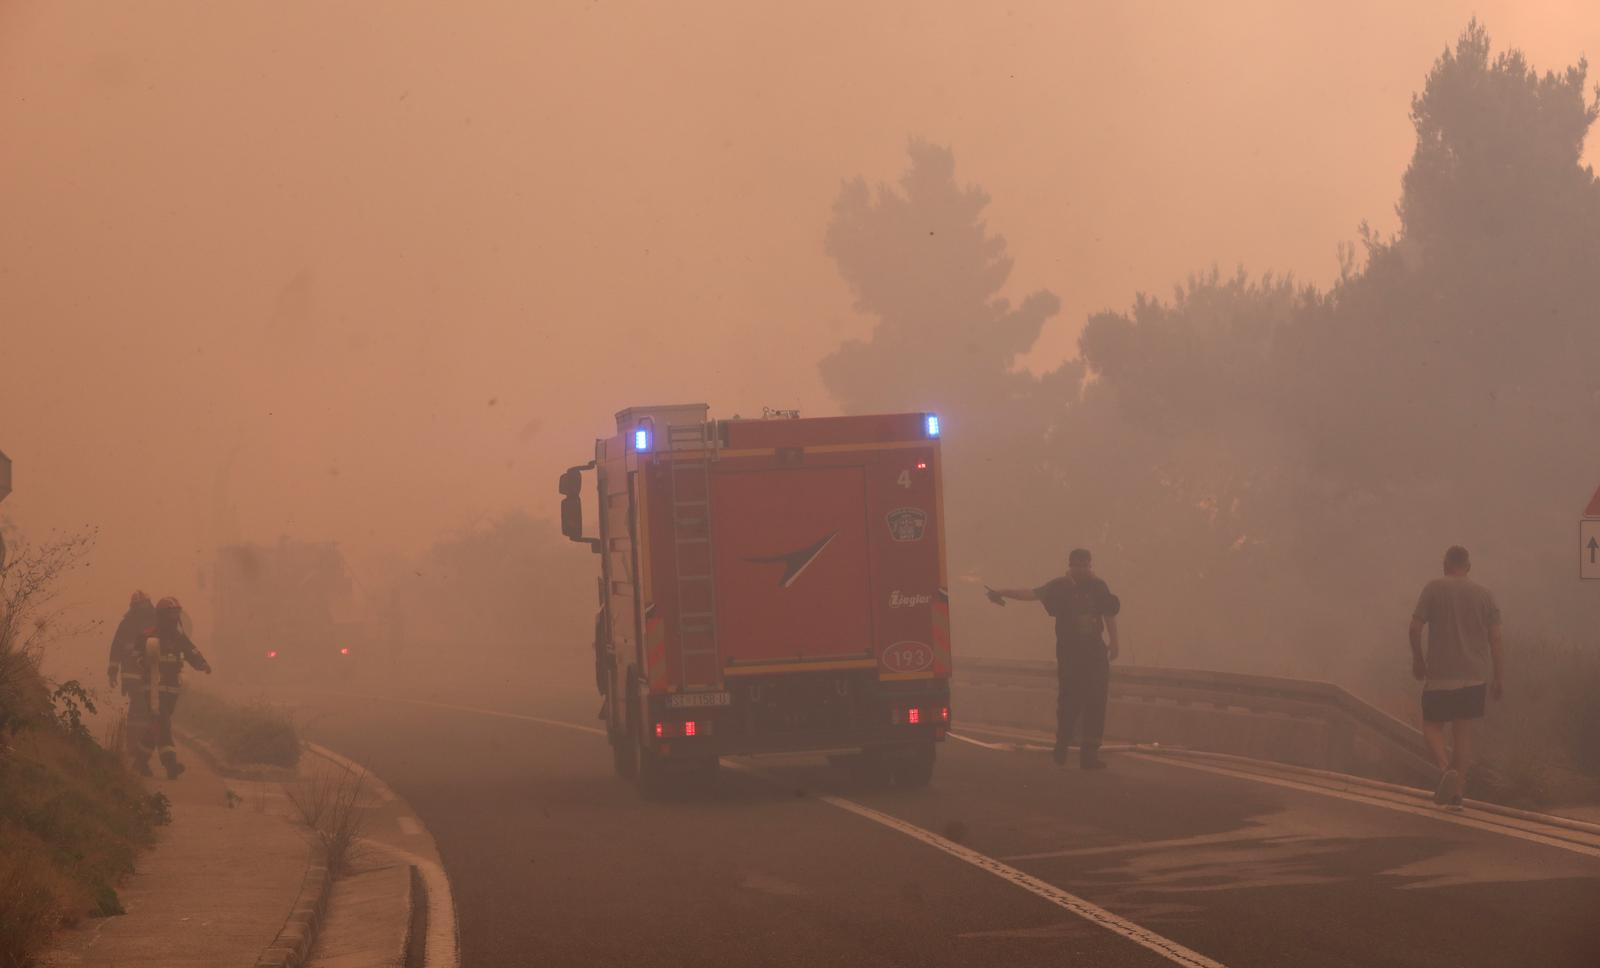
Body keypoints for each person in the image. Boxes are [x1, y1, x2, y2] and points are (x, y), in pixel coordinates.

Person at [987, 548, 1122, 769]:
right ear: (1070, 566)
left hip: (1095, 652)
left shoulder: (1098, 586)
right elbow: (1030, 593)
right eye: (1077, 565)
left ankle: (1089, 755)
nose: (1082, 569)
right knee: (1069, 700)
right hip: (1069, 652)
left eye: (1086, 565)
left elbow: (1109, 613)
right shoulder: (1060, 586)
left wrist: (1114, 642)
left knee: (1096, 701)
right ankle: (1062, 743)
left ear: (1091, 566)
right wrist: (1001, 591)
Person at [1409, 545, 1503, 807]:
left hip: (1441, 673)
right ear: (1468, 567)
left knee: (1431, 725)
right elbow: (1495, 639)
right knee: (1463, 733)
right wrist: (1499, 676)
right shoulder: (1485, 595)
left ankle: (1444, 768)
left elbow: (1414, 628)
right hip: (1474, 675)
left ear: (1445, 564)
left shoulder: (1433, 588)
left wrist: (1418, 660)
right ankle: (1457, 791)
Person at [128, 596, 212, 779]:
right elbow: (135, 655)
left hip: (172, 688)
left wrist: (202, 664)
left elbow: (191, 652)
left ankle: (140, 761)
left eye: (176, 614)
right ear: (162, 615)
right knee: (163, 723)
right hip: (153, 688)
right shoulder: (148, 635)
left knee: (155, 725)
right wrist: (143, 662)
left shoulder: (178, 637)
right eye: (171, 614)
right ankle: (170, 764)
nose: (174, 618)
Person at [107, 590, 156, 696]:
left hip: (152, 672)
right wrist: (112, 672)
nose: (143, 607)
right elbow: (116, 647)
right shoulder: (126, 623)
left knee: (152, 706)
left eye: (145, 603)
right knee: (138, 704)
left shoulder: (157, 621)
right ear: (134, 606)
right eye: (141, 604)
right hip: (132, 673)